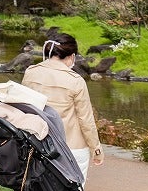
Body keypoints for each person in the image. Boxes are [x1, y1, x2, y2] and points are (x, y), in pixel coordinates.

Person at [22, 33, 102, 180]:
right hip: (71, 147)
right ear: (72, 56)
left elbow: (23, 107)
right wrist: (96, 149)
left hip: (38, 142)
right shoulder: (75, 81)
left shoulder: (31, 73)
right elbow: (86, 120)